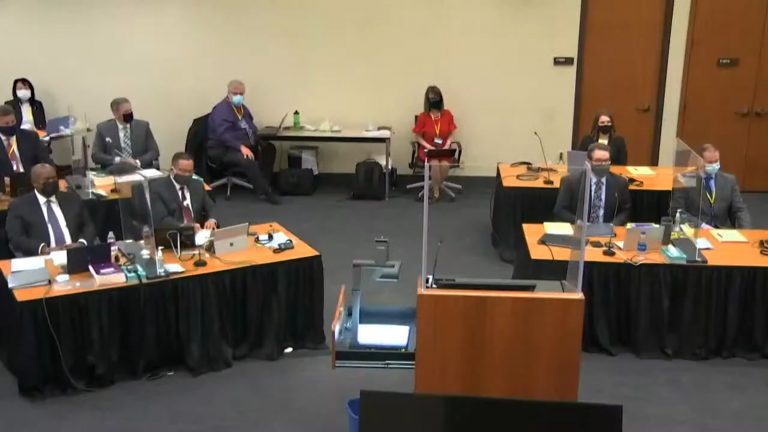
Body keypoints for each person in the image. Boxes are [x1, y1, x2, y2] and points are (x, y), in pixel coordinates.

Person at [208, 79, 279, 204]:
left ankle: (264, 183)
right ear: (228, 93)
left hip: (244, 143)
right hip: (223, 148)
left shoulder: (242, 108)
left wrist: (258, 137)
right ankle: (265, 192)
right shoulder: (221, 110)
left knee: (269, 148)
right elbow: (223, 135)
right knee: (247, 158)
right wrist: (240, 147)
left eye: (241, 93)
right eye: (235, 93)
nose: (238, 96)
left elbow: (250, 125)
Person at [6, 163, 96, 257]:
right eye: (47, 180)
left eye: (54, 178)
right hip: (42, 258)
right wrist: (42, 249)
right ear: (34, 183)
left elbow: (88, 226)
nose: (52, 182)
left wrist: (81, 244)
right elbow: (16, 238)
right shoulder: (19, 205)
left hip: (75, 254)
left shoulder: (72, 199)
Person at [671, 144, 750, 228]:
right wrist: (702, 226)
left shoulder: (729, 180)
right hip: (696, 230)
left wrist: (745, 230)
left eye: (716, 161)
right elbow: (676, 211)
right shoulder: (685, 180)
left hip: (722, 232)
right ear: (700, 162)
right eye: (710, 162)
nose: (714, 165)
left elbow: (739, 210)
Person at [554, 143, 631, 225]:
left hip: (608, 233)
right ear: (588, 161)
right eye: (598, 161)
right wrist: (578, 222)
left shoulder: (620, 183)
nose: (603, 164)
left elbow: (625, 211)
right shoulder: (571, 181)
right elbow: (560, 210)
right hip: (580, 231)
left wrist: (613, 224)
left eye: (606, 161)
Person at [151, 152, 217, 231]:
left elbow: (211, 206)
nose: (187, 175)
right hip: (173, 233)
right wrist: (186, 227)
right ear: (172, 170)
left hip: (198, 233)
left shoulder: (197, 184)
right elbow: (162, 219)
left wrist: (212, 219)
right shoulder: (158, 188)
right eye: (183, 171)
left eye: (190, 172)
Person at [412, 85, 457, 201]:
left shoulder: (447, 114)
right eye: (432, 98)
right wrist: (429, 147)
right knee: (435, 164)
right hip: (428, 149)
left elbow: (452, 133)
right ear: (428, 101)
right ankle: (436, 193)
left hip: (444, 149)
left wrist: (447, 144)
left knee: (445, 165)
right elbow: (417, 137)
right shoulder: (423, 117)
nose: (435, 100)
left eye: (437, 97)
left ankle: (433, 185)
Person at [91, 97, 160, 172]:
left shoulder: (143, 126)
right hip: (115, 172)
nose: (130, 114)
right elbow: (96, 155)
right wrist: (119, 160)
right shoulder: (103, 129)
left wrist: (137, 162)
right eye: (126, 112)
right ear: (115, 114)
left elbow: (154, 151)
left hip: (141, 170)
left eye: (130, 111)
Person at [0, 104, 51, 178]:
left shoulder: (30, 136)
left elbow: (44, 159)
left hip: (32, 179)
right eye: (6, 123)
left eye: (13, 122)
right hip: (6, 184)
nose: (10, 125)